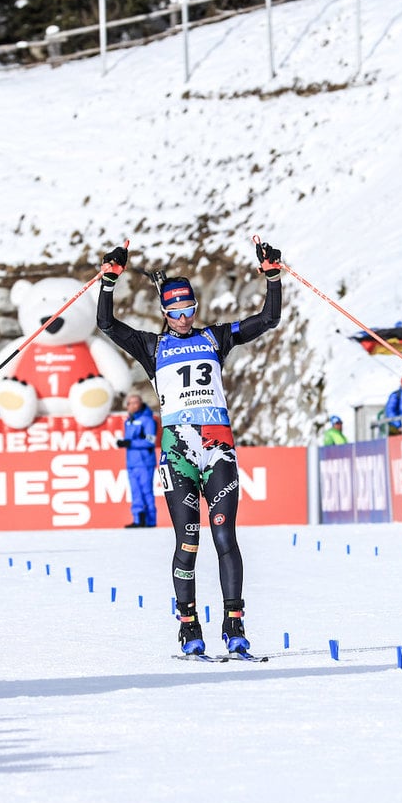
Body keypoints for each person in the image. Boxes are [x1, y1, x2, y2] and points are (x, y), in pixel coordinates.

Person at [95, 238, 283, 658]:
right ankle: (188, 623)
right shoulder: (151, 346)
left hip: (217, 448)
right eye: (174, 311)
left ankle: (235, 625)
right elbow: (107, 326)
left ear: (196, 308)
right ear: (164, 312)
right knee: (188, 540)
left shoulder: (217, 337)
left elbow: (269, 318)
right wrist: (109, 281)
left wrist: (272, 277)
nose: (182, 318)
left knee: (224, 536)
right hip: (178, 453)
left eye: (188, 309)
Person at [118, 393, 158, 528]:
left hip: (145, 462)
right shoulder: (128, 421)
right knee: (135, 491)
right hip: (132, 462)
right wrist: (125, 443)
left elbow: (150, 441)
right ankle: (138, 518)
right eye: (130, 403)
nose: (132, 405)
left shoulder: (148, 420)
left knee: (146, 491)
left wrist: (130, 443)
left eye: (135, 402)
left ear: (140, 403)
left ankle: (150, 520)